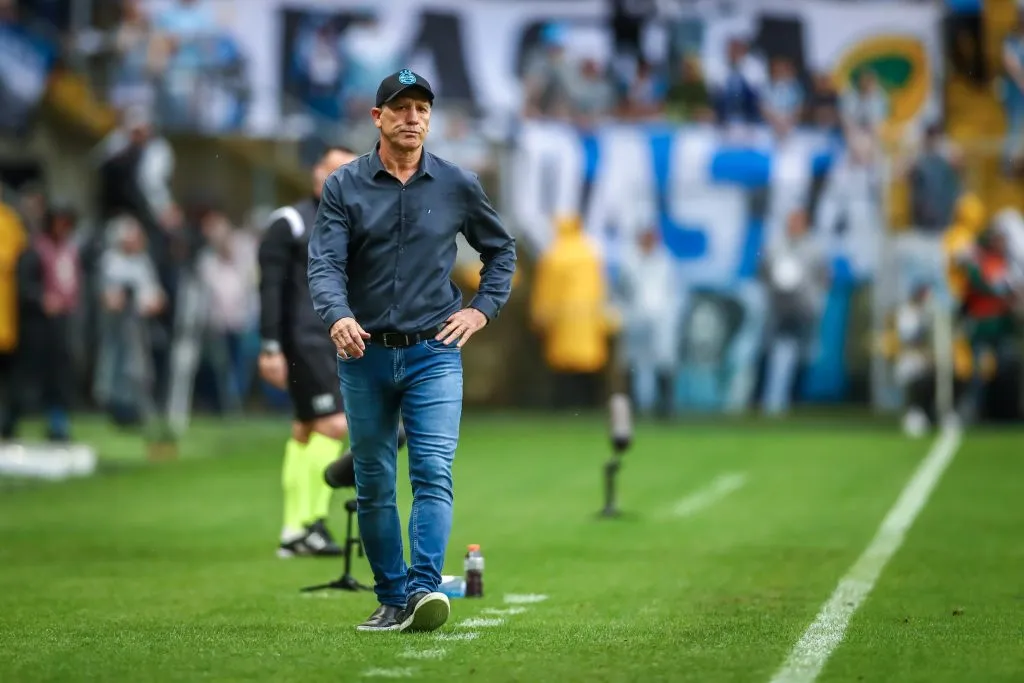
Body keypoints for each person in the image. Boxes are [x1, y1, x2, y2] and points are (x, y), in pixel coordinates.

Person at [307, 69, 517, 633]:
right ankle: (392, 597)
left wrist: (480, 309)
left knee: (432, 470)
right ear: (377, 118)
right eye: (400, 108)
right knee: (374, 479)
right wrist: (338, 315)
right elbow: (324, 263)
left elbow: (502, 252)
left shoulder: (458, 184)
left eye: (422, 108)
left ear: (431, 117)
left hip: (434, 351)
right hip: (363, 352)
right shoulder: (344, 186)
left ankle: (424, 590)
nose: (412, 117)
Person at [258, 145, 357, 559]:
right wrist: (270, 346)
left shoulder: (351, 223)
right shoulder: (292, 222)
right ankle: (312, 524)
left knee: (305, 431)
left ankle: (293, 529)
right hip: (306, 340)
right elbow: (269, 289)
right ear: (317, 174)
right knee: (333, 425)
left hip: (332, 338)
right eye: (334, 170)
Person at [5, 205, 81, 441]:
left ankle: (57, 423)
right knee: (27, 376)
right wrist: (42, 299)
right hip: (36, 325)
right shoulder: (35, 251)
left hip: (60, 323)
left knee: (59, 376)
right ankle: (8, 421)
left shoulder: (69, 251)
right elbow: (24, 286)